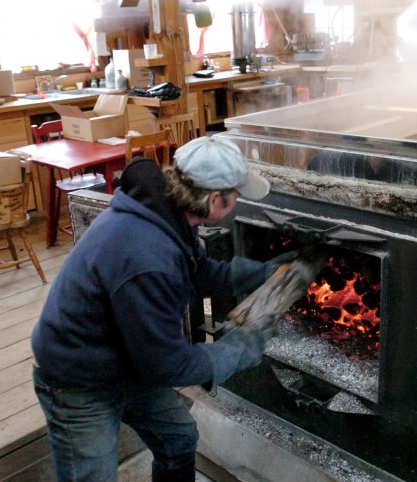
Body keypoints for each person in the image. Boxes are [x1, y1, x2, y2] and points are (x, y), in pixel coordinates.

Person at [31, 135, 292, 482]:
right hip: (79, 376)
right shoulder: (148, 255)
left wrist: (258, 274)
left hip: (125, 358)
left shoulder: (163, 212)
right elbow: (167, 365)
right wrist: (239, 349)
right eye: (237, 195)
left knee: (178, 438)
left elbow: (195, 271)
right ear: (216, 200)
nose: (238, 200)